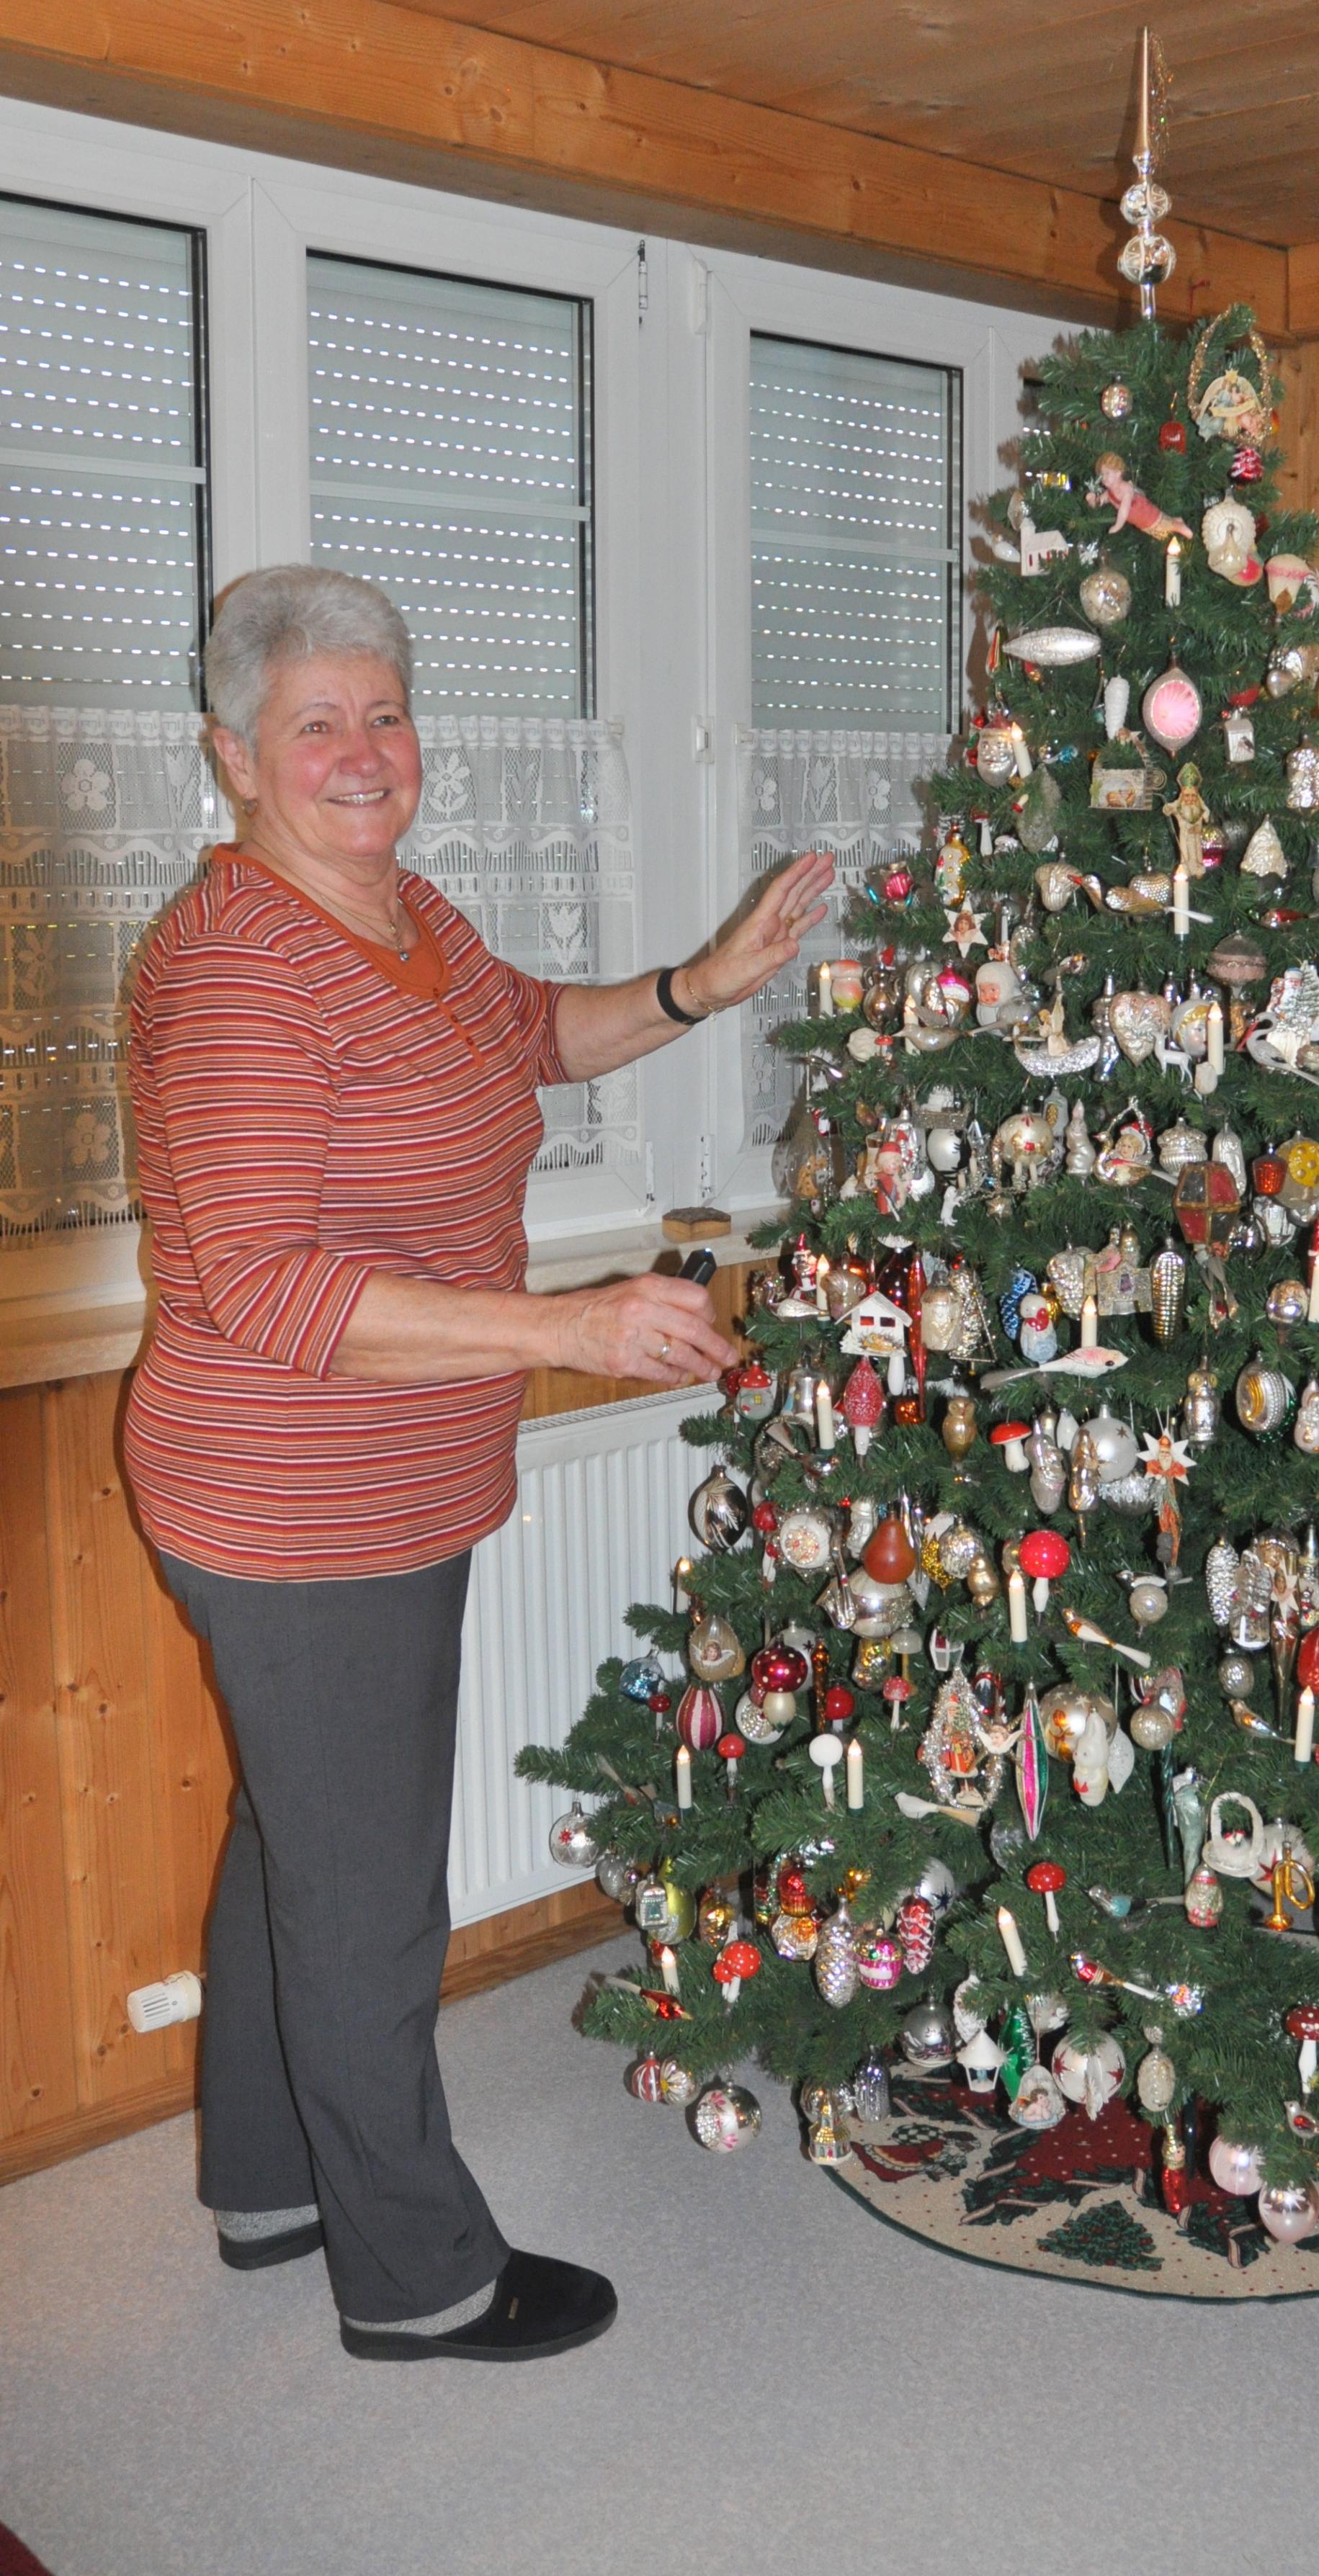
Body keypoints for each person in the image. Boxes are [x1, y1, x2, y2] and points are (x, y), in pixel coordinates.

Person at [122, 565, 832, 2364]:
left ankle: (268, 2184)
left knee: (298, 1844)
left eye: (385, 712)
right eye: (316, 724)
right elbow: (268, 1284)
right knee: (367, 1901)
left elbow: (532, 1029)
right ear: (234, 754)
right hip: (297, 1501)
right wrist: (565, 1325)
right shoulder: (239, 970)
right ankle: (419, 2276)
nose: (365, 751)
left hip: (374, 1485)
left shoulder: (395, 913)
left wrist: (699, 982)